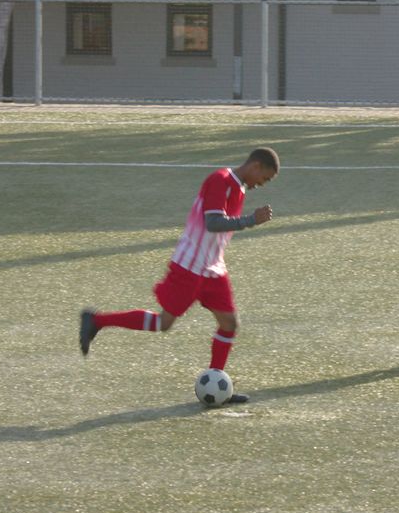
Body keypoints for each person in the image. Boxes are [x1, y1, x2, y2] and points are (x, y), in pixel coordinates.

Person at [80, 147, 280, 403]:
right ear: (256, 167)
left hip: (213, 268)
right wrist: (249, 220)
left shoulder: (239, 187)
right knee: (163, 323)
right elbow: (213, 223)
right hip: (189, 266)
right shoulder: (220, 180)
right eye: (264, 179)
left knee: (229, 323)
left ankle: (218, 383)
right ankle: (96, 321)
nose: (260, 185)